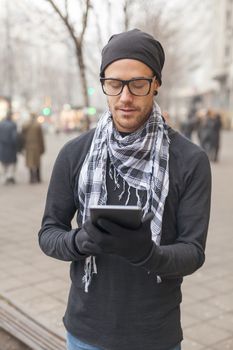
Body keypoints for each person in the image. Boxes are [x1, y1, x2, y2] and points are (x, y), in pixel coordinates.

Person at [38, 29, 211, 350]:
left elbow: (193, 252)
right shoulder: (75, 153)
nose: (125, 97)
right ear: (104, 83)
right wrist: (80, 241)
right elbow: (48, 234)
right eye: (114, 84)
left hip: (155, 334)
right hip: (85, 331)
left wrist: (148, 254)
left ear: (156, 83)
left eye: (138, 84)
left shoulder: (190, 160)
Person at [21, 113, 45, 183]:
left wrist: (22, 146)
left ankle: (31, 178)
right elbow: (41, 138)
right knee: (37, 163)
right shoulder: (38, 125)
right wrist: (43, 148)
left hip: (28, 146)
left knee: (30, 162)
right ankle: (38, 178)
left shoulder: (25, 125)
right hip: (37, 146)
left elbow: (22, 136)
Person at [0, 111, 18, 185]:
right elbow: (14, 137)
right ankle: (9, 176)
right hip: (10, 147)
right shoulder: (13, 124)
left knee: (4, 162)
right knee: (11, 162)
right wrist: (16, 146)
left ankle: (5, 176)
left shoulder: (1, 124)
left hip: (2, 146)